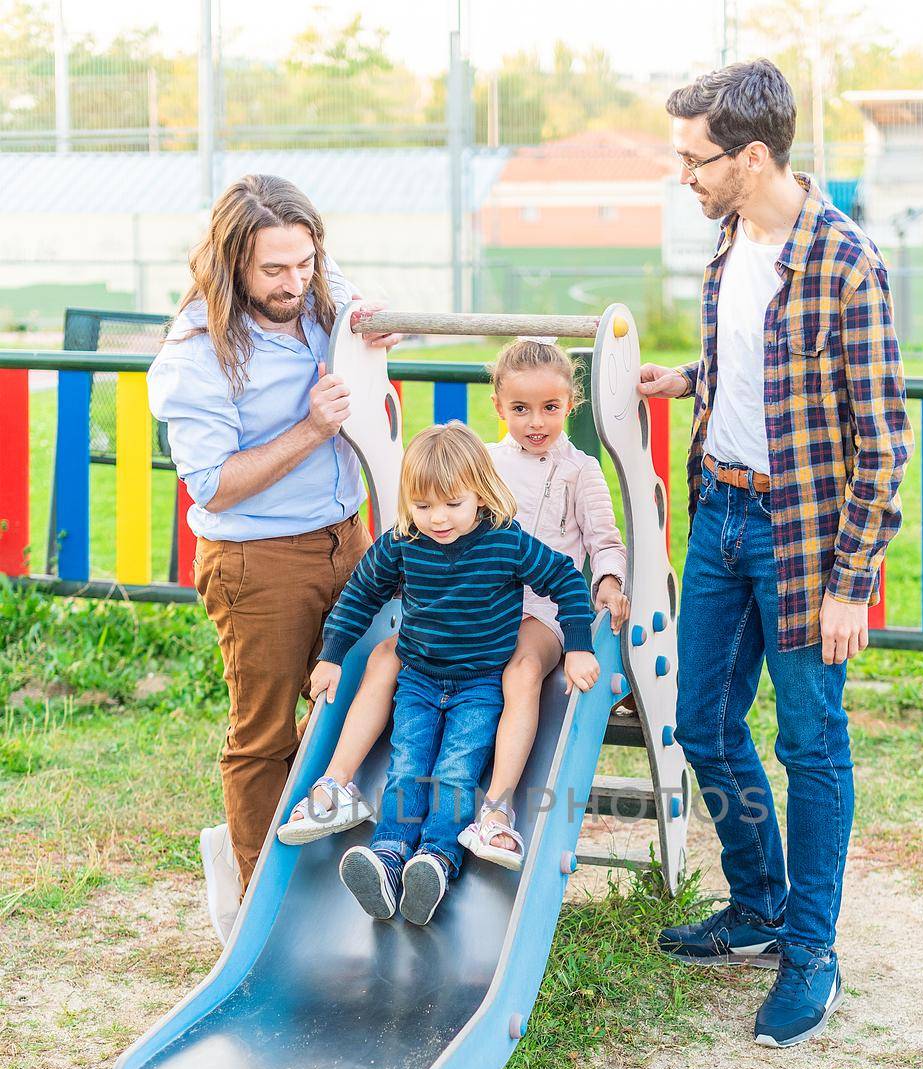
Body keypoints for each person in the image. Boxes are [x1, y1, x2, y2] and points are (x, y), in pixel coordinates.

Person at [640, 60, 912, 1047]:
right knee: (704, 723)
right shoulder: (730, 240)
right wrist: (688, 381)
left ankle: (812, 949)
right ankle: (758, 907)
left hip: (806, 539)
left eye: (694, 158)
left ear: (753, 157)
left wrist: (852, 585)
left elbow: (882, 442)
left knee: (811, 743)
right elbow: (748, 362)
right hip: (723, 516)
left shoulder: (846, 263)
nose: (684, 175)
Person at [147, 173, 401, 941]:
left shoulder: (319, 291)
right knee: (266, 734)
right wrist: (311, 430)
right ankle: (259, 911)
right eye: (275, 271)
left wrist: (381, 333)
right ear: (232, 265)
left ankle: (359, 866)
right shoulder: (197, 353)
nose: (296, 283)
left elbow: (370, 319)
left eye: (306, 263)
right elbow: (215, 486)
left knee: (376, 697)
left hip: (347, 539)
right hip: (257, 559)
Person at [279, 337, 630, 869]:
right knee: (383, 658)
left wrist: (607, 580)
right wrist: (333, 652)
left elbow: (602, 541)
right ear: (498, 407)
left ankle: (497, 809)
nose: (535, 421)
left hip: (539, 609)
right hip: (466, 609)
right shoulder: (474, 462)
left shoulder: (580, 471)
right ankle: (337, 783)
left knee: (520, 670)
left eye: (550, 408)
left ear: (569, 405)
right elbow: (394, 562)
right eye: (520, 408)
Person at [306, 422, 598, 927]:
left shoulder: (506, 543)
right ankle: (389, 854)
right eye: (423, 506)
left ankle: (437, 860)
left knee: (456, 772)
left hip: (480, 684)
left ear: (480, 494)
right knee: (406, 765)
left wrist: (577, 646)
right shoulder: (403, 543)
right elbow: (360, 594)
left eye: (451, 504)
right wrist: (332, 655)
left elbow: (568, 581)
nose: (437, 519)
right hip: (418, 679)